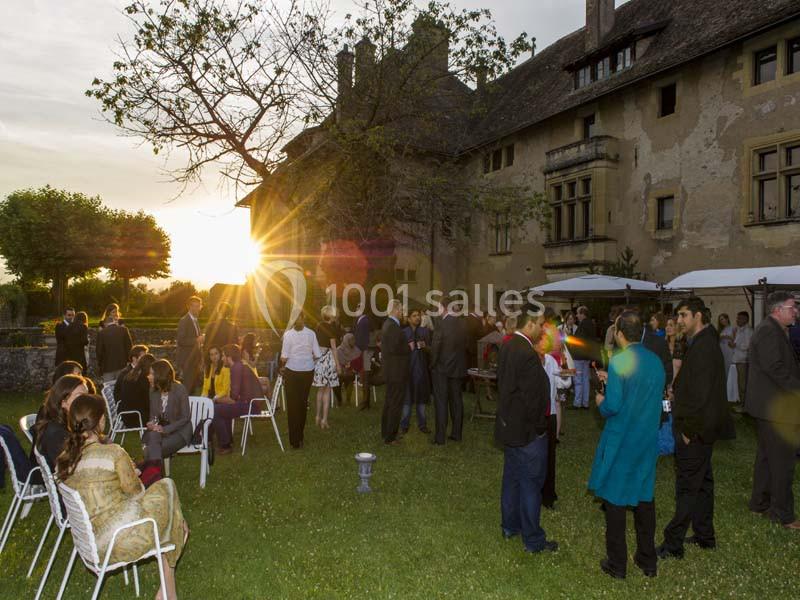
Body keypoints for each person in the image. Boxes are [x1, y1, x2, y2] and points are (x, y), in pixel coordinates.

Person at [57, 393, 188, 600]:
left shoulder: (64, 461)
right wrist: (132, 475)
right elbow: (137, 493)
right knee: (168, 489)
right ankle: (166, 592)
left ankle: (167, 593)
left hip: (89, 543)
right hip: (119, 541)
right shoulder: (113, 453)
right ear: (101, 420)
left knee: (171, 516)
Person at [589, 311, 665, 579]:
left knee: (615, 500)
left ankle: (617, 563)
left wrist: (601, 401)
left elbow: (613, 406)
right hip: (646, 438)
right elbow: (644, 390)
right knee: (645, 498)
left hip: (623, 438)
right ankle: (648, 560)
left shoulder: (620, 359)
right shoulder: (655, 361)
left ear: (619, 333)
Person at [657, 297, 735, 559]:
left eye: (683, 315)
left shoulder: (704, 346)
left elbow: (702, 395)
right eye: (678, 316)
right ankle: (704, 535)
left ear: (698, 316)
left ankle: (673, 543)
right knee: (702, 484)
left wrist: (688, 430)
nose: (679, 321)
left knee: (688, 486)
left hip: (696, 429)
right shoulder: (702, 342)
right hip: (703, 428)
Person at [495, 308, 557, 554]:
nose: (542, 328)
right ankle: (532, 539)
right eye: (540, 324)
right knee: (530, 483)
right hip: (527, 432)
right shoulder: (526, 353)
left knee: (512, 479)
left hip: (511, 427)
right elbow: (534, 399)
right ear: (529, 324)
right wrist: (540, 428)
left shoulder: (508, 346)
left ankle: (510, 526)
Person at [745, 291, 800, 529]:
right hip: (774, 407)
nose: (796, 311)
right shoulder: (769, 330)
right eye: (792, 307)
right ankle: (783, 514)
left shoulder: (774, 329)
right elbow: (775, 367)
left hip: (768, 406)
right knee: (782, 461)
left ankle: (760, 503)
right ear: (777, 310)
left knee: (767, 458)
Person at [537, 310, 566, 509]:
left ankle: (548, 495)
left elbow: (563, 384)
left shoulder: (552, 360)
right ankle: (535, 492)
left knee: (549, 457)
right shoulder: (532, 360)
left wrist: (566, 370)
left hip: (550, 415)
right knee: (534, 456)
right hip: (536, 413)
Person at [31, 374, 90, 472]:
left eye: (87, 395)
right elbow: (69, 469)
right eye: (80, 396)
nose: (86, 400)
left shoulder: (68, 421)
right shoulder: (57, 433)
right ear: (63, 402)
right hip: (60, 483)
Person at [430, 294, 468, 444]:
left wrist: (432, 364)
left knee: (441, 402)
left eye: (439, 307)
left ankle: (440, 437)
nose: (438, 310)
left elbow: (436, 347)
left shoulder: (442, 324)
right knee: (457, 401)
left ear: (444, 308)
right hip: (457, 368)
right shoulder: (463, 324)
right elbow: (466, 344)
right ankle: (457, 434)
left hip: (442, 369)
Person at [280, 313, 321, 449]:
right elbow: (317, 354)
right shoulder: (311, 334)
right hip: (307, 371)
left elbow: (284, 357)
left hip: (292, 371)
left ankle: (295, 440)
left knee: (293, 405)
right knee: (302, 403)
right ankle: (299, 436)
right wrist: (308, 360)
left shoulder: (288, 335)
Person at [212, 344, 262, 454]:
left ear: (229, 357)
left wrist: (216, 400)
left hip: (251, 406)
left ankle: (225, 445)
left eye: (223, 356)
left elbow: (233, 398)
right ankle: (227, 441)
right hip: (250, 403)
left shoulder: (236, 368)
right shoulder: (238, 366)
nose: (222, 358)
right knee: (221, 408)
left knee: (215, 410)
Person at [142, 360, 192, 465]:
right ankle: (156, 477)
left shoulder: (179, 389)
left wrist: (165, 429)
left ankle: (153, 475)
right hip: (160, 432)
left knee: (149, 451)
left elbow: (185, 417)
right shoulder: (153, 391)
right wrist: (151, 423)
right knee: (153, 440)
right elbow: (153, 415)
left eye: (151, 374)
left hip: (180, 432)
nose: (148, 376)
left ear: (160, 375)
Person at [380, 300, 411, 445]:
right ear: (396, 310)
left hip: (392, 371)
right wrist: (408, 347)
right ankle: (390, 437)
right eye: (401, 310)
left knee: (389, 402)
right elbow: (394, 348)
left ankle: (386, 432)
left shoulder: (388, 324)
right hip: (396, 372)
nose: (403, 313)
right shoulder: (392, 326)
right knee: (395, 403)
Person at [400, 309, 432, 435]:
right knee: (407, 400)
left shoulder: (425, 331)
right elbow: (400, 352)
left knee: (421, 399)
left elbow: (431, 350)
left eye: (418, 315)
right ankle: (404, 424)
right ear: (408, 319)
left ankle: (422, 424)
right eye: (414, 316)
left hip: (421, 370)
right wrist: (407, 348)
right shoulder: (404, 333)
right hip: (408, 370)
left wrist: (425, 347)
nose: (417, 318)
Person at [313, 306, 341, 430]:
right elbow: (334, 348)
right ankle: (324, 419)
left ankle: (317, 417)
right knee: (328, 390)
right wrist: (338, 365)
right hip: (328, 359)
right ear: (331, 315)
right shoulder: (332, 328)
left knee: (320, 390)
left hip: (319, 359)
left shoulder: (318, 326)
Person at [115, 353, 156, 428]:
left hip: (126, 415)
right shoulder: (143, 379)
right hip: (136, 417)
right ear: (149, 367)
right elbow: (147, 401)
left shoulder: (131, 375)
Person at [96, 303, 133, 383]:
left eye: (116, 311)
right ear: (108, 312)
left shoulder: (121, 322)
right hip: (109, 359)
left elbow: (126, 342)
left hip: (120, 359)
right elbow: (100, 342)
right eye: (113, 312)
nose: (115, 313)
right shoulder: (102, 323)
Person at [569, 306, 597, 409]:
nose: (576, 315)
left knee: (578, 380)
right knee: (585, 379)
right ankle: (585, 403)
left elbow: (578, 341)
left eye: (577, 313)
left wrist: (570, 337)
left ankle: (577, 403)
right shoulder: (591, 324)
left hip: (579, 356)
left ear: (582, 314)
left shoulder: (584, 324)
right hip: (586, 356)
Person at [175, 296, 204, 394]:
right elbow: (181, 340)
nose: (196, 308)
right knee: (187, 389)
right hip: (187, 361)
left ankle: (191, 408)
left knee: (192, 389)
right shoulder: (184, 320)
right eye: (194, 306)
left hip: (194, 360)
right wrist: (197, 340)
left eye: (198, 306)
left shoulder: (195, 320)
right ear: (189, 307)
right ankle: (184, 409)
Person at [731, 311, 753, 406]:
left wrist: (735, 345)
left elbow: (748, 345)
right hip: (739, 359)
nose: (737, 320)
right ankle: (743, 403)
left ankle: (744, 405)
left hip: (744, 360)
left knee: (743, 384)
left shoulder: (748, 330)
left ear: (745, 319)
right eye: (737, 318)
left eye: (739, 318)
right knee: (741, 383)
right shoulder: (740, 329)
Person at [354, 309, 373, 410]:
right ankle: (366, 402)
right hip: (362, 351)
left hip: (365, 351)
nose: (356, 310)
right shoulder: (360, 320)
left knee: (365, 376)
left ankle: (365, 402)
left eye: (358, 308)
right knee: (364, 377)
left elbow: (363, 338)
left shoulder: (364, 320)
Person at [336, 333, 361, 406]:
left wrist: (352, 365)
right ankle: (339, 400)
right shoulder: (339, 350)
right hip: (341, 371)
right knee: (337, 380)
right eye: (351, 340)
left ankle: (348, 400)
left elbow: (359, 362)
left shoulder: (357, 350)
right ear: (346, 340)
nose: (354, 341)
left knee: (349, 378)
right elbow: (337, 362)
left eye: (354, 339)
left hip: (351, 372)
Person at [665, 317, 686, 384]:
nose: (667, 328)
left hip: (678, 383)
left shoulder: (683, 345)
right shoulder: (663, 344)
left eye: (671, 325)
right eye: (667, 325)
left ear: (677, 327)